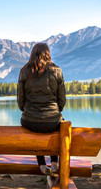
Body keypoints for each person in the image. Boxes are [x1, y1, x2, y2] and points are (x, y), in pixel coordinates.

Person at [17, 42, 66, 177]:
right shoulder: (57, 70)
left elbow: (20, 100)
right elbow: (62, 99)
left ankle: (42, 164)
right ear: (48, 53)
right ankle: (55, 162)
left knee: (36, 130)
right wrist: (57, 111)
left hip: (29, 120)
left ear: (32, 54)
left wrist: (25, 110)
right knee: (59, 125)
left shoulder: (24, 70)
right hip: (52, 119)